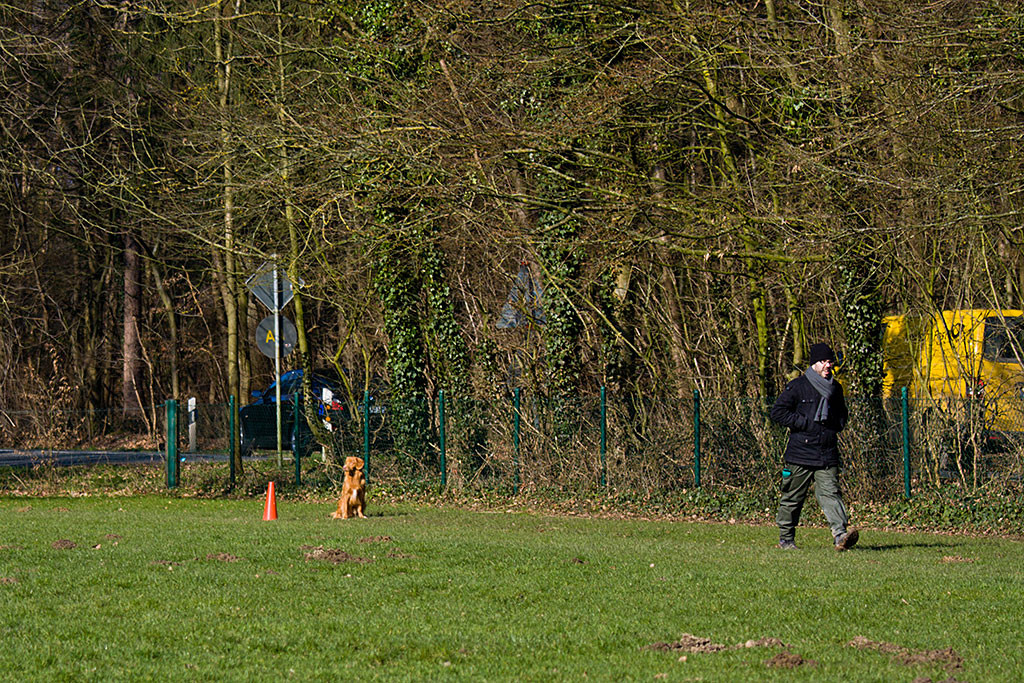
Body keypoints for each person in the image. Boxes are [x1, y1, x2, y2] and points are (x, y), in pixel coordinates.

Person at [770, 342, 859, 551]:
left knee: (831, 493)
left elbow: (842, 414)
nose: (828, 365)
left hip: (826, 452)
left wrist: (836, 425)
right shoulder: (798, 386)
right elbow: (778, 412)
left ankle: (840, 536)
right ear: (814, 364)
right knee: (792, 498)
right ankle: (786, 539)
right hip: (800, 453)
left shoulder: (836, 388)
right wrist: (804, 423)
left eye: (830, 361)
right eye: (823, 361)